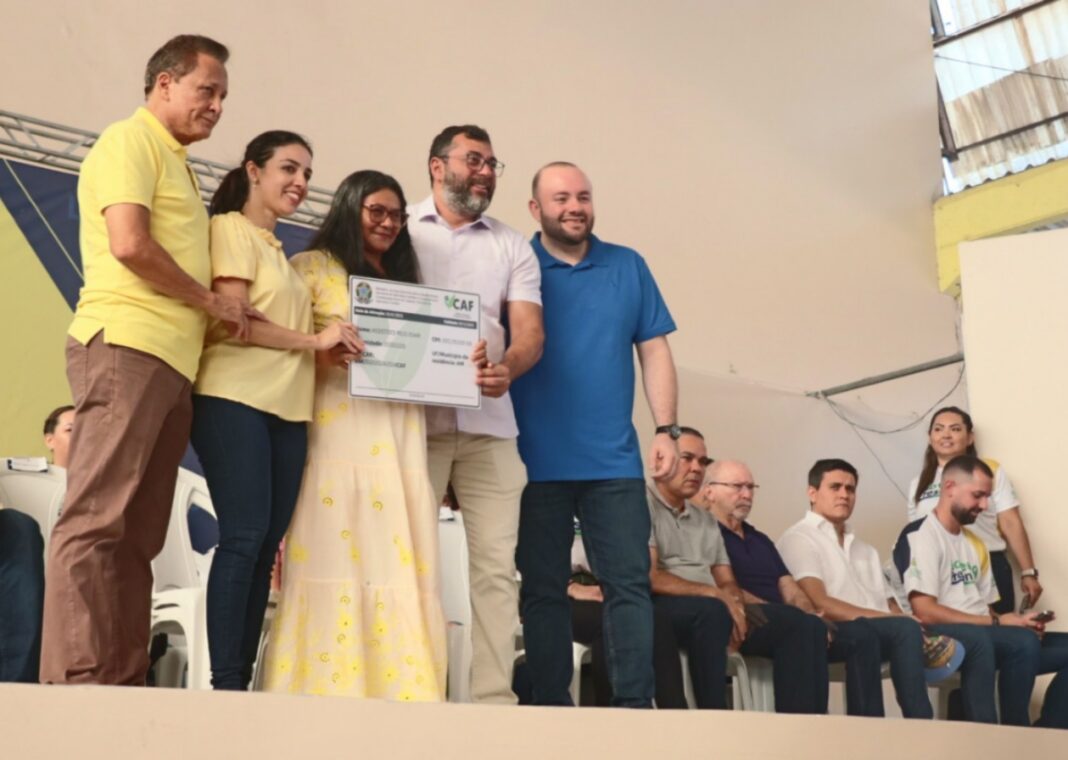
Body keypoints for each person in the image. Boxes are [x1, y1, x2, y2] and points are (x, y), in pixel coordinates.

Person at [39, 34, 253, 686]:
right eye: (206, 90)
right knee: (95, 520)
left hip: (173, 365)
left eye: (223, 96)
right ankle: (76, 682)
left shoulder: (178, 163)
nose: (216, 106)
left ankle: (124, 685)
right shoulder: (127, 140)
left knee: (139, 538)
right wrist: (210, 301)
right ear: (164, 83)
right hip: (126, 345)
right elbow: (129, 244)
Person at [260, 170, 447, 701]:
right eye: (376, 212)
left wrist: (460, 361)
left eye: (397, 216)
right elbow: (285, 346)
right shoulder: (310, 268)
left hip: (401, 434)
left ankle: (404, 693)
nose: (388, 223)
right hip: (336, 430)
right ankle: (324, 689)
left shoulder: (408, 283)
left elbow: (426, 359)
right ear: (349, 209)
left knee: (398, 557)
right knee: (334, 551)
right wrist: (325, 352)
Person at [189, 131, 361, 690]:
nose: (301, 182)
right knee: (243, 537)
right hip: (233, 398)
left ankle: (241, 683)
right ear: (253, 171)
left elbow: (286, 337)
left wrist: (331, 350)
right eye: (289, 168)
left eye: (307, 173)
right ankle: (226, 683)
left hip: (288, 411)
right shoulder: (230, 228)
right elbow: (235, 319)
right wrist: (314, 341)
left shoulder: (280, 253)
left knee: (265, 549)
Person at [511, 162, 678, 708]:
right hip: (532, 463)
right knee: (542, 591)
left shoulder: (628, 265)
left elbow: (654, 349)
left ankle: (634, 711)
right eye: (560, 198)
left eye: (582, 196)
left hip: (615, 465)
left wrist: (666, 429)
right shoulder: (517, 264)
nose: (574, 207)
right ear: (536, 208)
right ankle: (551, 710)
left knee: (629, 587)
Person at [408, 125, 544, 703]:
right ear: (438, 166)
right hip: (415, 427)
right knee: (412, 566)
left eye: (492, 163)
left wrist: (506, 369)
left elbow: (530, 333)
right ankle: (417, 692)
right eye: (474, 160)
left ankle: (493, 701)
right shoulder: (399, 228)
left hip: (490, 427)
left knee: (495, 569)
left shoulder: (513, 245)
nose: (486, 172)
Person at [648, 429, 828, 713]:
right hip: (668, 604)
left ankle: (806, 725)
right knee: (713, 612)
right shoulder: (641, 504)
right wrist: (717, 596)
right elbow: (650, 577)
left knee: (806, 625)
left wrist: (733, 603)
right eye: (687, 458)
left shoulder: (706, 520)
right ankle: (715, 716)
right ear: (662, 459)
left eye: (702, 461)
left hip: (713, 606)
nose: (696, 468)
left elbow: (726, 579)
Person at [701, 459, 893, 717]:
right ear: (710, 491)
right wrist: (791, 615)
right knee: (802, 627)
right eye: (737, 487)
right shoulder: (704, 533)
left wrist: (808, 612)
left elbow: (788, 585)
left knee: (862, 635)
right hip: (745, 618)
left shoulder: (760, 539)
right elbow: (721, 584)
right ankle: (802, 724)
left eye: (750, 487)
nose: (746, 494)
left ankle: (865, 727)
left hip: (788, 621)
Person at [896, 455, 1068, 728]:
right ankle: (1015, 731)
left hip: (985, 630)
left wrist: (1018, 622)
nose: (985, 505)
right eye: (978, 496)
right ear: (950, 487)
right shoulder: (921, 535)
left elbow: (985, 608)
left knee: (1030, 639)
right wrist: (998, 622)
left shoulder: (975, 543)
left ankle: (1049, 731)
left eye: (987, 497)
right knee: (1021, 643)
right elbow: (925, 612)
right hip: (943, 635)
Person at [776, 459, 936, 719]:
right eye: (835, 487)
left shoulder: (866, 549)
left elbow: (889, 603)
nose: (844, 495)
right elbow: (819, 602)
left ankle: (921, 725)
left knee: (918, 629)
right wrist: (893, 621)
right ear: (812, 493)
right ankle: (919, 723)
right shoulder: (798, 538)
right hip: (833, 631)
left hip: (879, 630)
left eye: (850, 489)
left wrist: (905, 619)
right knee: (900, 629)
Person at [907, 406, 1042, 614]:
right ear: (930, 437)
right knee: (951, 629)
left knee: (1001, 628)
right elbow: (915, 533)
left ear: (970, 438)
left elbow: (1010, 521)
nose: (946, 435)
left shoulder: (989, 471)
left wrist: (1028, 572)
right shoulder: (918, 483)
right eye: (938, 429)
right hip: (939, 567)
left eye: (955, 429)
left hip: (989, 562)